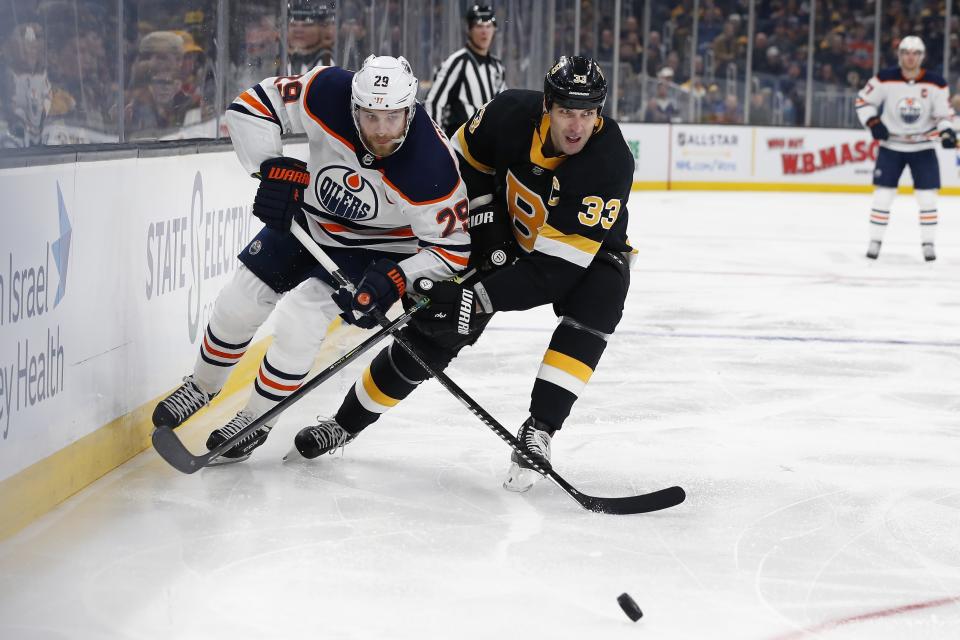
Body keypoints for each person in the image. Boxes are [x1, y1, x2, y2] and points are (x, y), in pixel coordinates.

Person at [289, 56, 635, 495]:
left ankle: (540, 429)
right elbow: (454, 171)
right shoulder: (508, 112)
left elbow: (554, 272)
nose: (576, 127)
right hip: (504, 233)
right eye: (567, 111)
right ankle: (344, 424)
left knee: (603, 295)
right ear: (547, 104)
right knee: (433, 330)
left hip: (581, 258)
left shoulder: (608, 163)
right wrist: (483, 234)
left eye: (587, 114)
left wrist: (480, 296)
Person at [151, 55, 470, 463]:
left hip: (378, 248)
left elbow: (452, 251)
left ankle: (255, 421)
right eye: (370, 116)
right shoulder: (327, 90)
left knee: (301, 318)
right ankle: (201, 385)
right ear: (353, 105)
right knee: (239, 299)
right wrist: (271, 169)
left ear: (410, 109)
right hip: (310, 221)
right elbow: (251, 105)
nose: (381, 131)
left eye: (392, 117)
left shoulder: (432, 166)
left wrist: (398, 276)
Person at [856, 35, 956, 262]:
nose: (910, 58)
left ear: (922, 56)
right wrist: (873, 122)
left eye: (915, 53)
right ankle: (875, 241)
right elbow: (863, 101)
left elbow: (944, 115)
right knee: (882, 196)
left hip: (923, 148)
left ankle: (928, 244)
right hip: (891, 146)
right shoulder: (884, 78)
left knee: (927, 199)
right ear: (899, 55)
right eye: (906, 53)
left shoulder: (936, 83)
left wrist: (947, 130)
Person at [423, 4, 506, 138]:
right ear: (469, 30)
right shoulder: (457, 62)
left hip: (488, 146)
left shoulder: (497, 67)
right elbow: (433, 103)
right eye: (479, 26)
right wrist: (437, 141)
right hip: (461, 145)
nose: (484, 32)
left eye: (488, 26)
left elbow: (502, 107)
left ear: (494, 29)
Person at [286, 0, 336, 73]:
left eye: (307, 24)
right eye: (293, 25)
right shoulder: (286, 59)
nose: (298, 31)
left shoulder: (326, 61)